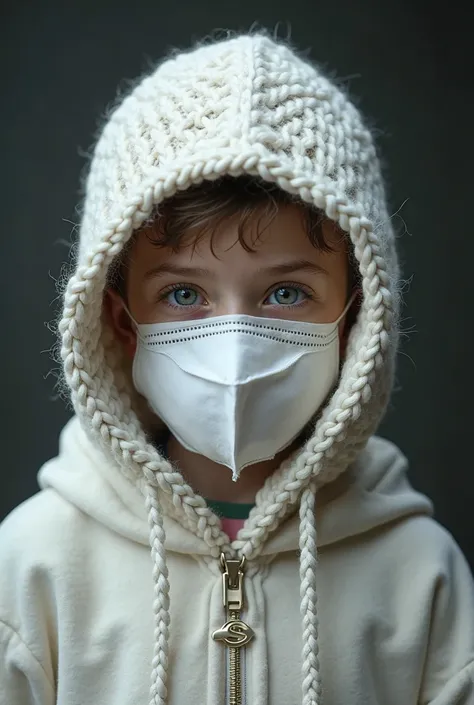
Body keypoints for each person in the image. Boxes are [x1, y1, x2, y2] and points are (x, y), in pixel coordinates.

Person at [0, 32, 473, 705]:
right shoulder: (34, 566)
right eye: (183, 293)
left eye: (286, 293)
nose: (236, 343)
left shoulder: (422, 574)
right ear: (118, 320)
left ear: (359, 318)